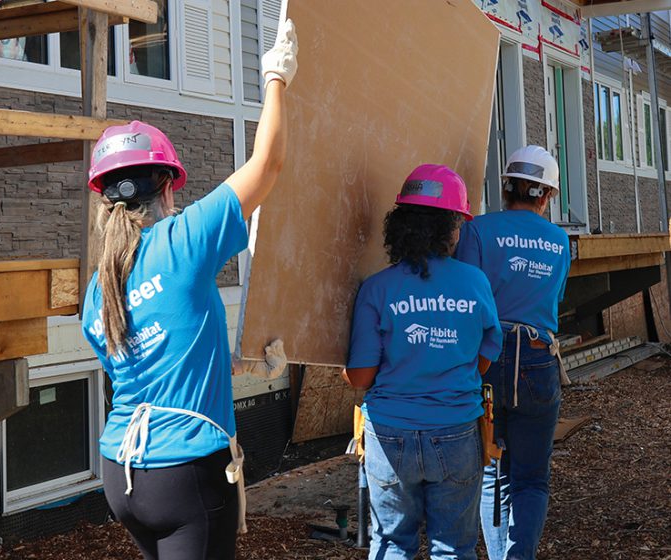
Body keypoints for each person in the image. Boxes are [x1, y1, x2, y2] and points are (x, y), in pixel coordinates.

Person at [80, 19, 298, 560]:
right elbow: (266, 166)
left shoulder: (96, 292)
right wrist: (276, 79)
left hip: (121, 474)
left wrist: (239, 365)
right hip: (187, 473)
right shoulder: (182, 242)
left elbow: (157, 365)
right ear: (168, 187)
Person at [342, 164, 503, 560]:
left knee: (393, 544)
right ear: (451, 228)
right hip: (455, 431)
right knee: (453, 548)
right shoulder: (475, 282)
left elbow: (360, 377)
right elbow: (485, 357)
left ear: (401, 225)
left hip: (390, 434)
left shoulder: (377, 288)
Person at [455, 146, 572, 560]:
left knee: (492, 471)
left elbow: (464, 296)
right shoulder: (560, 242)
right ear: (547, 195)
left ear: (507, 187)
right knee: (531, 479)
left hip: (486, 360)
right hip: (537, 360)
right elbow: (553, 300)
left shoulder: (477, 231)